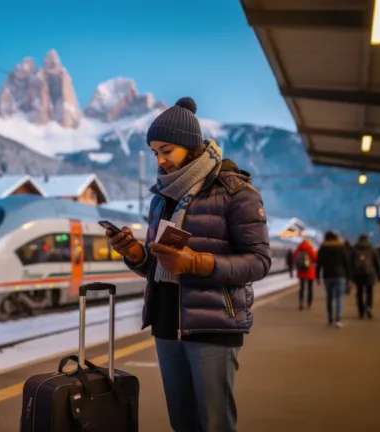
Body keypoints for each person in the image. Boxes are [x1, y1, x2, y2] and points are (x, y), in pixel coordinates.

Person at [105, 97, 271, 432]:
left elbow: (259, 261)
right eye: (155, 153)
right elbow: (159, 264)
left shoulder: (235, 192)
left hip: (212, 324)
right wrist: (136, 254)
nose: (160, 160)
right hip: (166, 322)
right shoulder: (161, 197)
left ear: (190, 146)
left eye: (166, 150)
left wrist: (194, 262)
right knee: (182, 424)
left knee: (214, 423)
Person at [316, 231, 351, 328]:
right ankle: (338, 320)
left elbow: (319, 264)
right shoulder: (341, 248)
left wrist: (318, 277)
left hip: (328, 276)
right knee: (339, 297)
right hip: (340, 276)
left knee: (329, 298)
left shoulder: (323, 248)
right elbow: (346, 264)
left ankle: (330, 319)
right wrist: (349, 278)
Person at [351, 234, 380, 319]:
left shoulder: (354, 249)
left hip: (358, 273)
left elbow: (350, 263)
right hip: (369, 273)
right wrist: (379, 275)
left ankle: (360, 311)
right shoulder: (371, 248)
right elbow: (377, 263)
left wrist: (350, 276)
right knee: (369, 292)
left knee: (359, 292)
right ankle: (369, 307)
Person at [292, 239, 317, 310]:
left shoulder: (298, 249)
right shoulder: (310, 248)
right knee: (310, 288)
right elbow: (315, 258)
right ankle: (309, 304)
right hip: (310, 271)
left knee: (301, 288)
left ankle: (301, 303)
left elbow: (294, 258)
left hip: (301, 271)